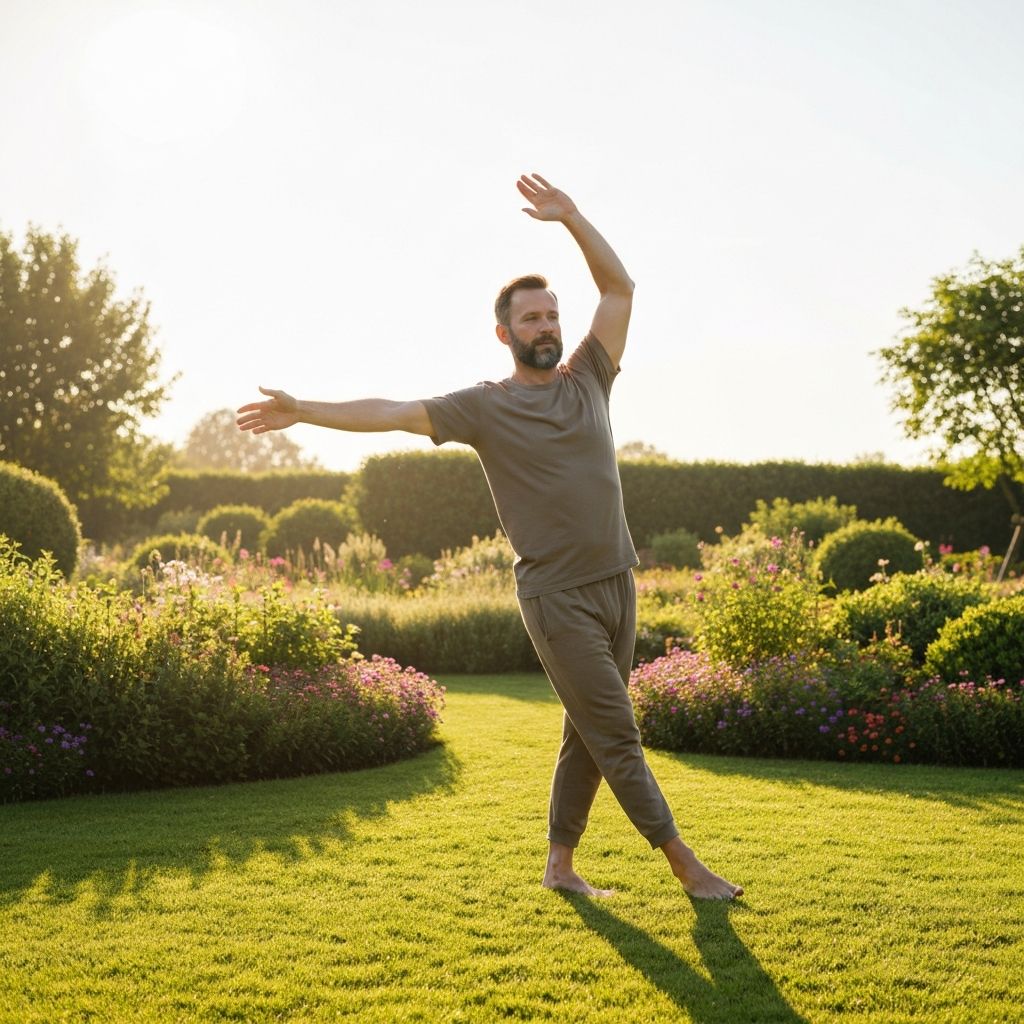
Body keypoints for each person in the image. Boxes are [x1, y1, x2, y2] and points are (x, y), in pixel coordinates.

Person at [237, 173, 743, 900]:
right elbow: (392, 410)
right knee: (618, 734)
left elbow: (621, 289)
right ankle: (687, 868)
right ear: (505, 333)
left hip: (618, 581)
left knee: (588, 737)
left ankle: (560, 867)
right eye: (531, 319)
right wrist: (306, 410)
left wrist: (572, 218)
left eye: (551, 316)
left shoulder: (590, 378)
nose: (546, 327)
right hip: (557, 597)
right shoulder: (482, 407)